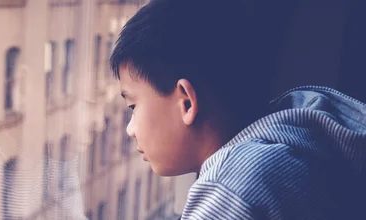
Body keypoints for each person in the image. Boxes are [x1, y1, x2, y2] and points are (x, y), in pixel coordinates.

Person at [110, 0, 366, 219]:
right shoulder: (297, 142)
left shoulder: (230, 189)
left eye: (133, 106)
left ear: (187, 102)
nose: (130, 129)